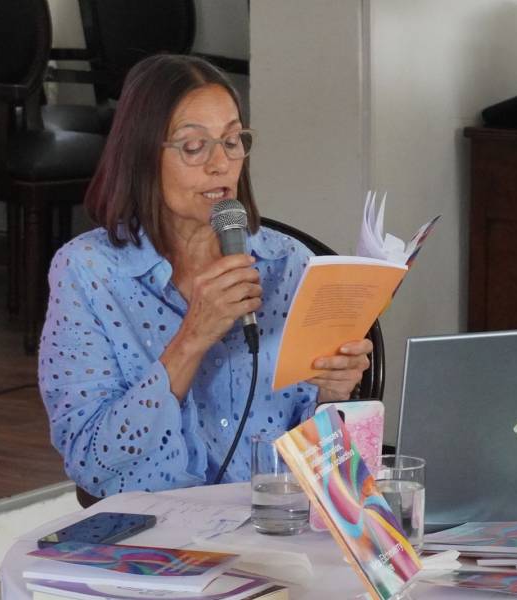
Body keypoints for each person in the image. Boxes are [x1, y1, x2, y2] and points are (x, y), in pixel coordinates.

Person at [39, 54, 372, 499]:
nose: (221, 164)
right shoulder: (86, 272)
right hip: (154, 526)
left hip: (274, 521)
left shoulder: (289, 264)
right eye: (194, 146)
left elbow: (327, 476)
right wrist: (193, 337)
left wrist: (333, 399)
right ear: (142, 154)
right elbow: (89, 461)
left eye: (232, 141)